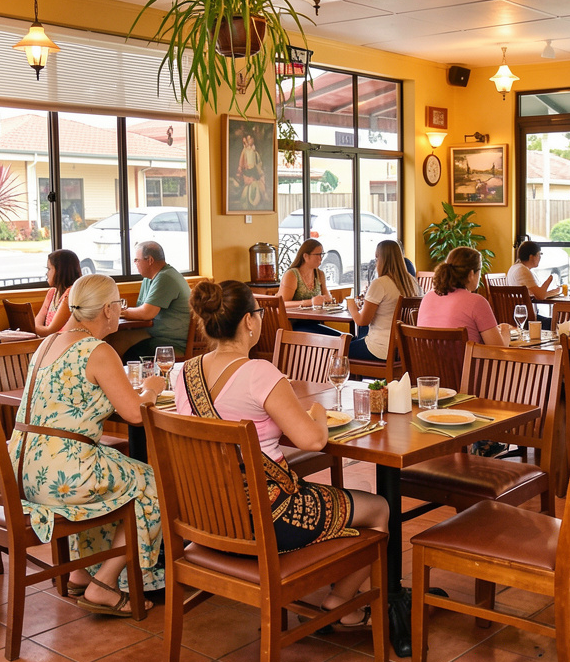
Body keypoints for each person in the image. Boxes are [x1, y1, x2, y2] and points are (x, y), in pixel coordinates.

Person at [177, 280, 388, 626]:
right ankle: (339, 604)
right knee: (379, 508)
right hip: (270, 517)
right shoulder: (260, 373)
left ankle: (336, 594)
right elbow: (313, 441)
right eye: (258, 314)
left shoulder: (182, 372)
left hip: (207, 515)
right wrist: (318, 413)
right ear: (249, 321)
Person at [9, 274, 168, 615]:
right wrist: (153, 388)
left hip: (22, 469)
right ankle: (105, 584)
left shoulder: (48, 343)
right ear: (109, 309)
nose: (121, 311)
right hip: (62, 475)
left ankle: (82, 571)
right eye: (120, 305)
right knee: (151, 482)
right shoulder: (98, 350)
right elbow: (135, 414)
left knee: (115, 475)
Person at [114, 241, 191, 360]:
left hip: (174, 343)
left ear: (150, 260)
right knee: (115, 339)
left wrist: (118, 311)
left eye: (136, 260)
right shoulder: (149, 278)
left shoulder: (166, 277)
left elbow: (146, 313)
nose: (135, 263)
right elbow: (141, 309)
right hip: (157, 334)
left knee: (127, 352)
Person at [347, 239, 421, 361]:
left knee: (337, 350)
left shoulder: (380, 284)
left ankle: (344, 380)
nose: (376, 263)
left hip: (380, 349)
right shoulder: (412, 282)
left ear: (381, 259)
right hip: (404, 349)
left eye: (376, 259)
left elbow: (362, 321)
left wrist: (351, 306)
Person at [418, 247, 506, 345]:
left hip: (426, 360)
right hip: (463, 360)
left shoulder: (427, 297)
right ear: (471, 274)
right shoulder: (477, 302)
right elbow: (497, 350)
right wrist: (505, 333)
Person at [279, 239, 339, 336]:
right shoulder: (292, 274)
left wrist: (327, 299)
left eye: (322, 254)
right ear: (305, 256)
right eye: (317, 255)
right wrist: (310, 302)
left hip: (314, 322)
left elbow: (327, 297)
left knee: (345, 338)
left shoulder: (320, 274)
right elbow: (282, 303)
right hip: (293, 325)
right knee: (339, 340)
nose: (321, 258)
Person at [33, 249, 82, 336]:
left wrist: (33, 329)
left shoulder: (71, 294)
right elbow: (37, 322)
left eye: (49, 269)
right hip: (51, 340)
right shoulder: (52, 293)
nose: (46, 274)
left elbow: (50, 331)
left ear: (60, 271)